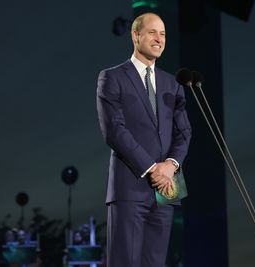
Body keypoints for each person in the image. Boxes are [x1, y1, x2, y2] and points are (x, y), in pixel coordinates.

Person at [96, 12, 191, 267]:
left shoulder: (174, 84)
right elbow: (114, 130)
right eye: (152, 32)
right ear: (135, 35)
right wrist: (152, 168)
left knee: (156, 262)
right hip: (130, 186)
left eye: (163, 34)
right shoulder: (112, 77)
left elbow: (184, 132)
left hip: (167, 189)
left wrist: (170, 166)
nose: (159, 39)